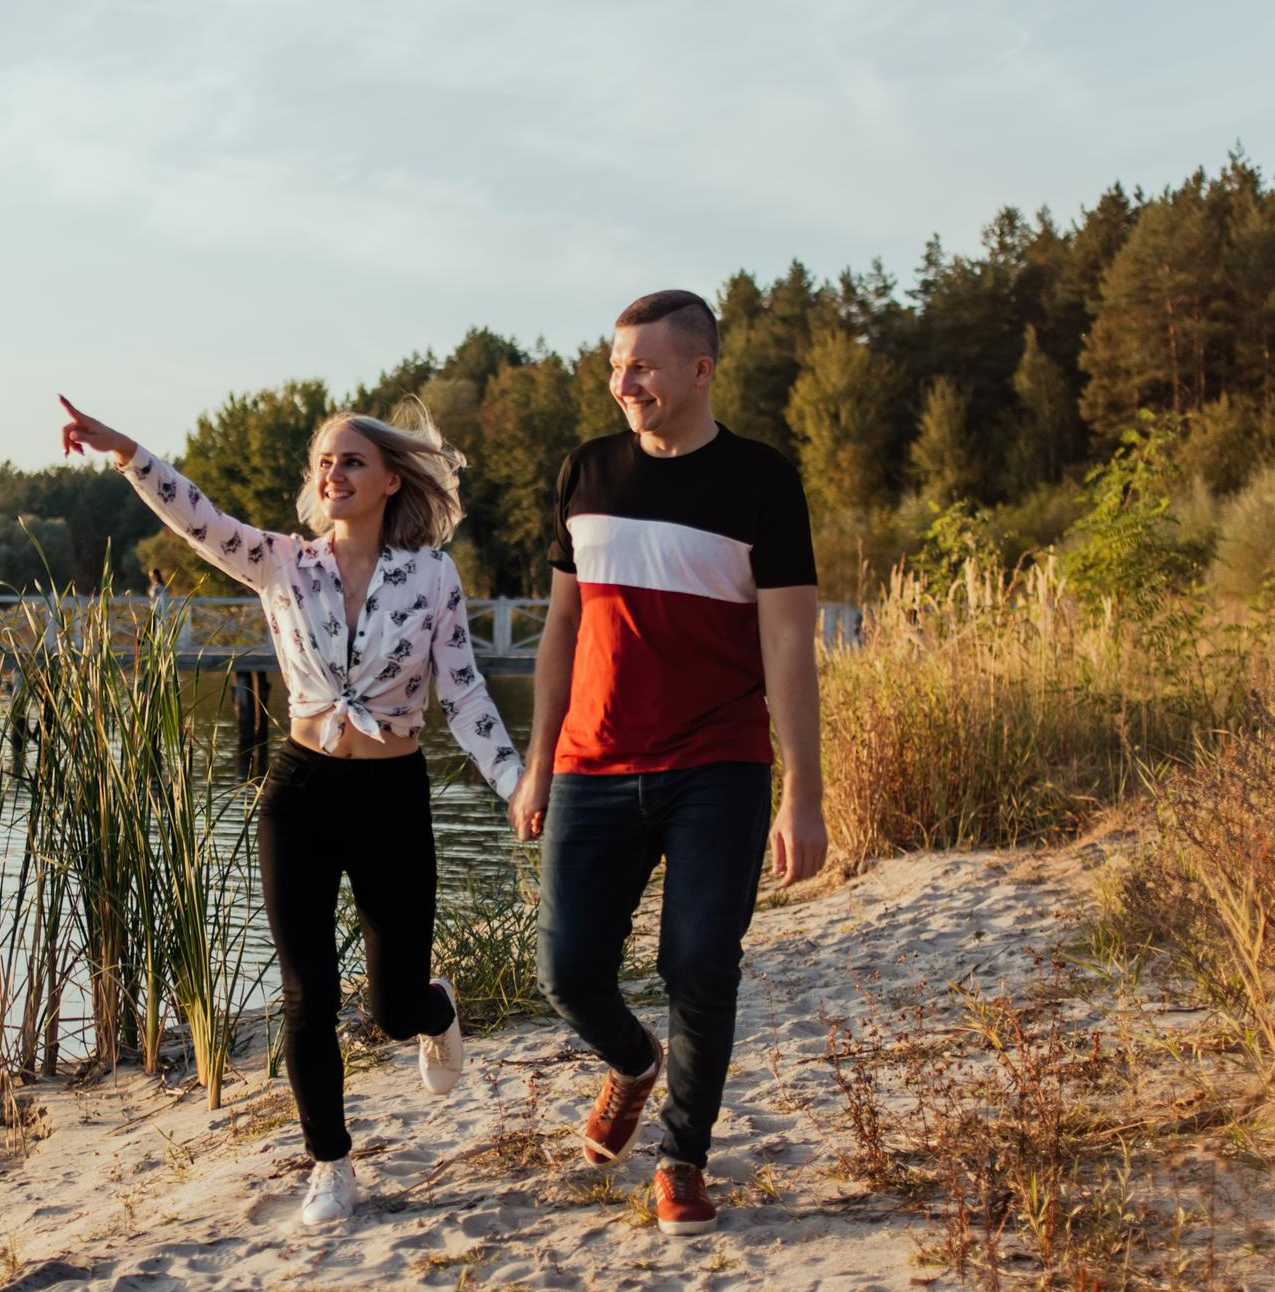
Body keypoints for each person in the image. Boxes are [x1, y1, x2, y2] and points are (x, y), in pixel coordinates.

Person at [57, 394, 524, 1230]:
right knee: (306, 993)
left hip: (391, 795)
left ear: (389, 479)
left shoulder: (430, 576)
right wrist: (128, 451)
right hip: (300, 793)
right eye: (324, 462)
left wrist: (516, 783)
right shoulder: (281, 561)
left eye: (352, 460)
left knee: (388, 1007)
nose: (334, 472)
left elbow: (462, 690)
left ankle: (434, 1010)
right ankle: (331, 1164)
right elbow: (198, 520)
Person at [508, 289, 828, 1238]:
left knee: (698, 961)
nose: (624, 380)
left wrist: (802, 795)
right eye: (616, 364)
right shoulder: (586, 471)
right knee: (566, 971)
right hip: (592, 763)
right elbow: (561, 628)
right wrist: (537, 763)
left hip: (717, 762)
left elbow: (787, 646)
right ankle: (636, 1063)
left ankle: (682, 1156)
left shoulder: (764, 482)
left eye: (643, 363)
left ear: (701, 369)